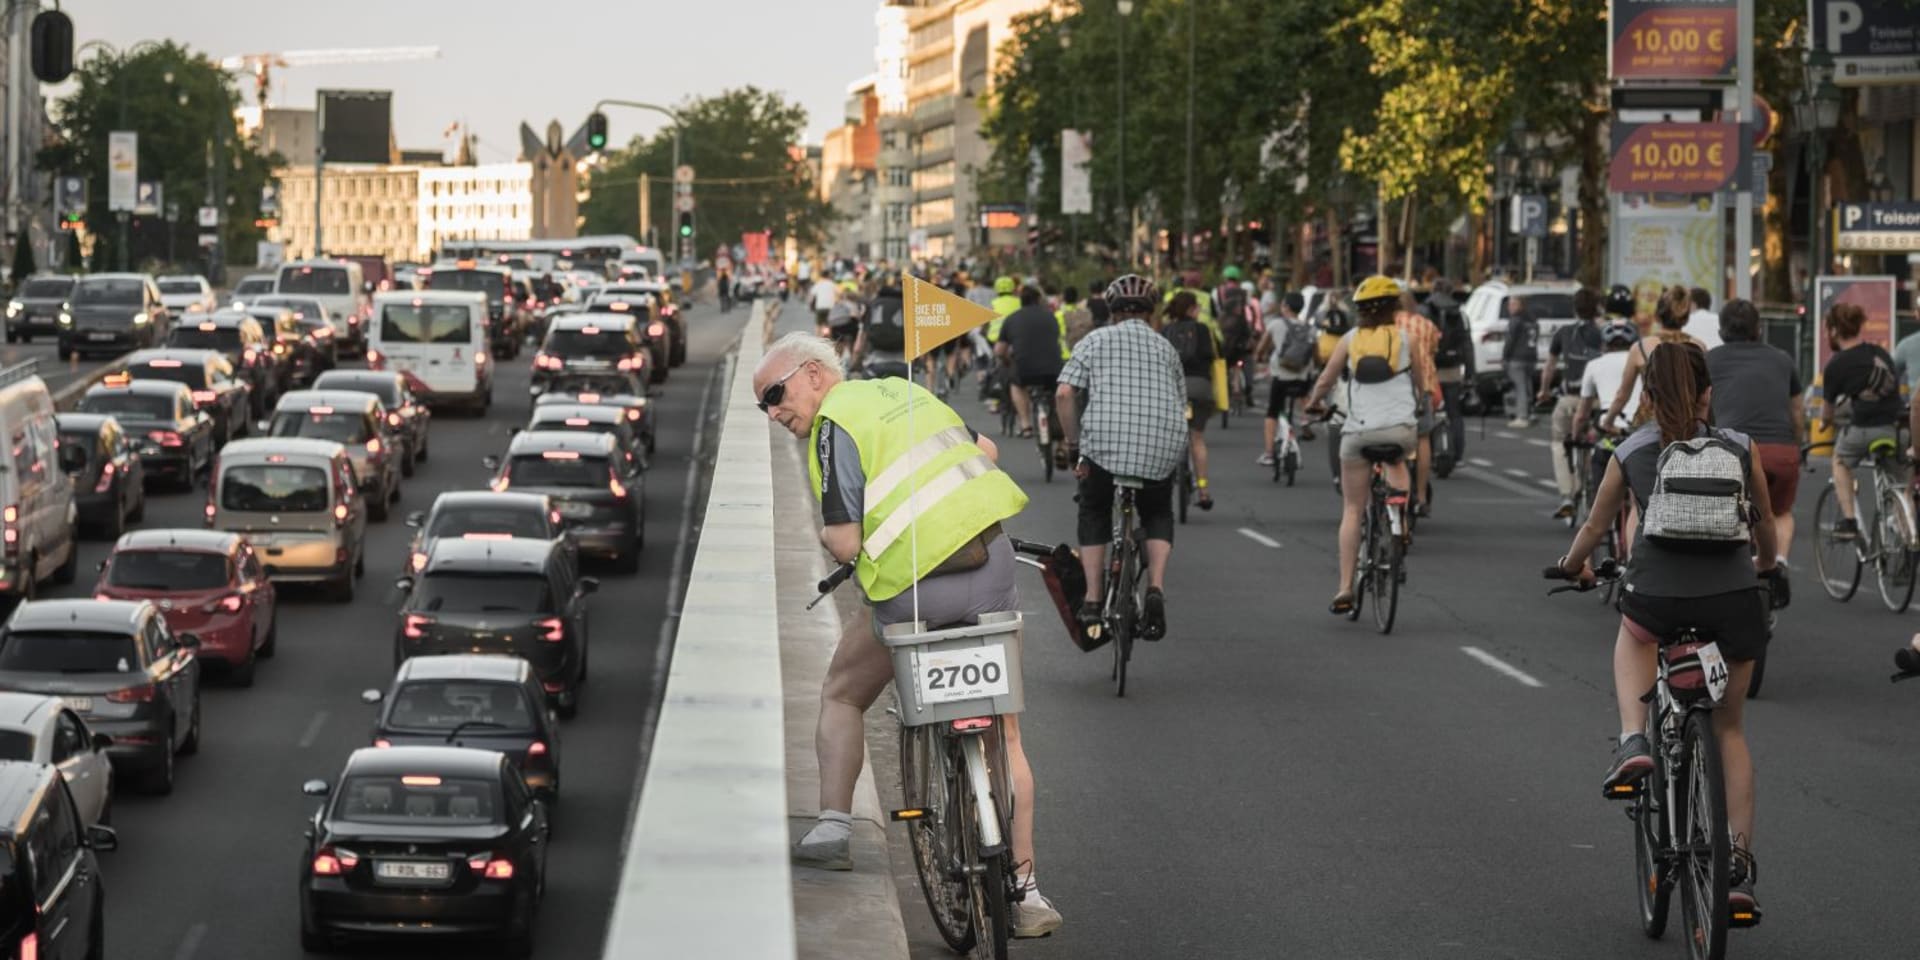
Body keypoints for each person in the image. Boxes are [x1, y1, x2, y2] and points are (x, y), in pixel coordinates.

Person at [756, 333, 1063, 938]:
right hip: (989, 570)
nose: (772, 412)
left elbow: (845, 542)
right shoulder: (907, 389)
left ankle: (834, 829)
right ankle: (1026, 893)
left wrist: (833, 538)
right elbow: (989, 451)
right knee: (1006, 732)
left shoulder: (832, 426)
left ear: (815, 374)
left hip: (914, 596)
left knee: (843, 691)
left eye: (775, 393)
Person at [1553, 341, 1778, 923]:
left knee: (1633, 637)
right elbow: (1766, 529)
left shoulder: (1632, 449)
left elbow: (1596, 527)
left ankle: (1633, 741)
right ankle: (1737, 871)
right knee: (1729, 731)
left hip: (1656, 596)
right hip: (1733, 601)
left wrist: (1573, 565)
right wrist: (1764, 567)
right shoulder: (1739, 446)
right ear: (1709, 392)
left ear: (1647, 396)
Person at [1057, 275, 1187, 641]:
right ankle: (1156, 590)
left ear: (1112, 311)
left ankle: (1094, 599)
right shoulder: (1165, 348)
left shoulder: (1094, 340)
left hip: (1104, 448)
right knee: (1158, 511)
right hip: (1160, 445)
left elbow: (1066, 393)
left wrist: (1072, 442)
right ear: (1151, 313)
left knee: (1094, 508)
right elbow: (1181, 404)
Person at [1304, 276, 1419, 613]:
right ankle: (1401, 521)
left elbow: (1327, 379)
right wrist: (1422, 404)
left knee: (1353, 509)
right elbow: (1423, 384)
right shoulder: (1406, 339)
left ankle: (1344, 588)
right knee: (1398, 461)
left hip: (1358, 432)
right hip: (1400, 430)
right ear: (1394, 308)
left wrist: (1313, 403)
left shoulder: (1350, 340)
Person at [1706, 299, 1803, 565]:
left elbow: (1701, 408)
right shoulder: (1783, 360)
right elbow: (1796, 412)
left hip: (1732, 451)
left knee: (1730, 507)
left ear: (1721, 329)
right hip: (1780, 451)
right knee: (1780, 511)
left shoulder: (1709, 360)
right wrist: (1798, 445)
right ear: (1758, 328)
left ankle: (1736, 563)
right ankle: (1779, 562)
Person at [1818, 301, 1903, 540]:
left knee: (1840, 461)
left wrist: (1825, 424)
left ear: (1834, 330)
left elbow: (1827, 413)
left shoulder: (1835, 365)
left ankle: (1849, 521)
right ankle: (1908, 536)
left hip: (1865, 428)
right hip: (1897, 428)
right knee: (1899, 486)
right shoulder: (1880, 353)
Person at [1602, 285, 1710, 432]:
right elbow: (1704, 394)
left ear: (1657, 316)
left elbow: (1622, 395)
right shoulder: (1699, 346)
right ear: (1685, 319)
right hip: (1688, 422)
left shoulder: (1640, 347)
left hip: (1649, 425)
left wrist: (1608, 422)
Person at [1538, 288, 1606, 519]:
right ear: (1597, 308)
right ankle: (1586, 483)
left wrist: (1544, 391)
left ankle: (1567, 494)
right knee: (1591, 440)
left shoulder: (1564, 333)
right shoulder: (1602, 333)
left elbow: (1549, 367)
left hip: (1570, 399)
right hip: (1596, 400)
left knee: (1559, 442)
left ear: (1574, 309)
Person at [1161, 291, 1218, 510]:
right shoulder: (1203, 330)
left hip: (1173, 389)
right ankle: (1203, 490)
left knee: (1167, 438)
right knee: (1197, 438)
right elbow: (1211, 357)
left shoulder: (1166, 331)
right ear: (1191, 309)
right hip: (1199, 388)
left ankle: (1161, 485)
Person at [995, 286, 1066, 436]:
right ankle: (1058, 429)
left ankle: (1025, 424)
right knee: (1054, 391)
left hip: (1025, 368)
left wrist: (1007, 360)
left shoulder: (1012, 318)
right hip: (1053, 368)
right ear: (1039, 300)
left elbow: (999, 351)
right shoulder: (1051, 316)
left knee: (1016, 385)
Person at [1394, 292, 1441, 515]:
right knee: (1423, 438)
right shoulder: (1427, 325)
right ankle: (1422, 496)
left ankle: (1396, 487)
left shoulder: (1389, 325)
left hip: (1395, 386)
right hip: (1424, 386)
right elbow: (1432, 351)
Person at [1256, 291, 1314, 466]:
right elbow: (1315, 354)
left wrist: (1259, 357)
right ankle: (1305, 420)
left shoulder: (1276, 324)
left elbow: (1262, 348)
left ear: (1286, 307)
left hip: (1281, 376)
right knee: (1303, 393)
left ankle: (1268, 454)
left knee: (1272, 413)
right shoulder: (1309, 328)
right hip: (1302, 376)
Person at [1425, 278, 1471, 468]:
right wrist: (1470, 373)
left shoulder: (1425, 310)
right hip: (1452, 369)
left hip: (1430, 370)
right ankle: (1458, 455)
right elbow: (1468, 345)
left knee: (1426, 412)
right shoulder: (1460, 313)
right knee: (1455, 413)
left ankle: (1428, 452)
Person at [1503, 295, 1541, 427]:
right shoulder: (1532, 320)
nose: (1510, 307)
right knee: (1527, 385)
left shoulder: (1515, 320)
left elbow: (1510, 340)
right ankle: (1531, 413)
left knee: (1520, 387)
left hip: (1517, 357)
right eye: (1509, 305)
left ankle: (1522, 416)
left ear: (1521, 305)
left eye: (1513, 304)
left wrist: (1505, 357)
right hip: (1531, 356)